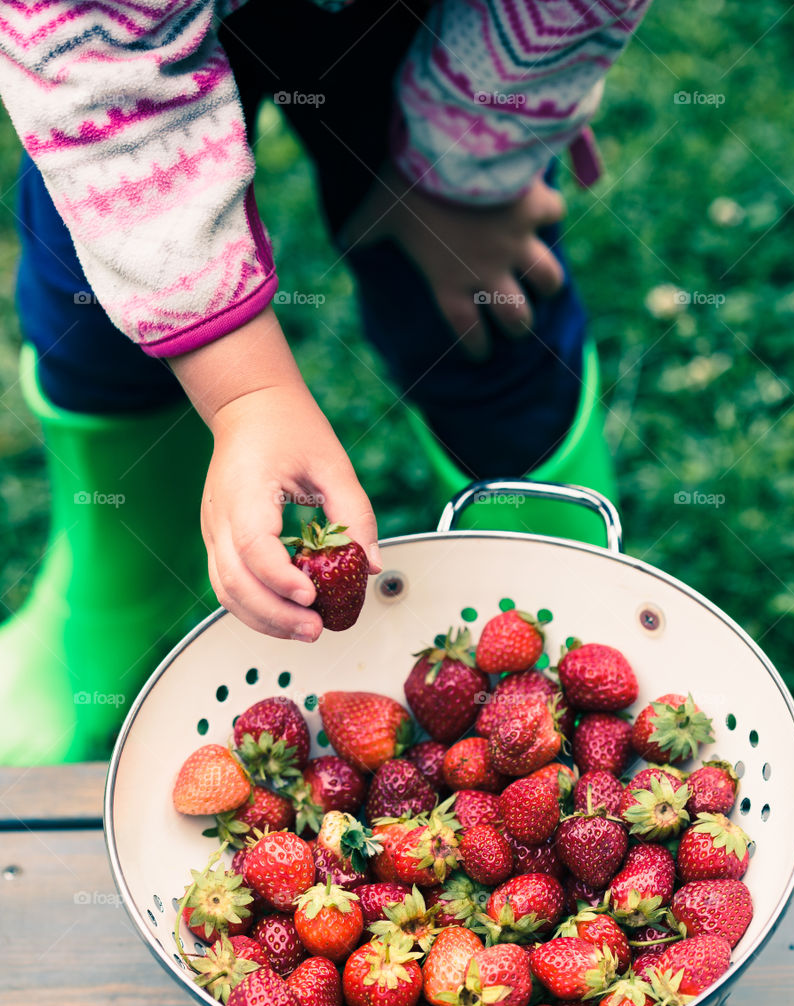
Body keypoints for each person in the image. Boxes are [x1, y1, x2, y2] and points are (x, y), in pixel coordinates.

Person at [0, 0, 650, 763]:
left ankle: (552, 578)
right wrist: (247, 395)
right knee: (96, 310)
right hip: (110, 47)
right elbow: (97, 66)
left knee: (484, 308)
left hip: (445, 24)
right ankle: (121, 589)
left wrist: (473, 160)